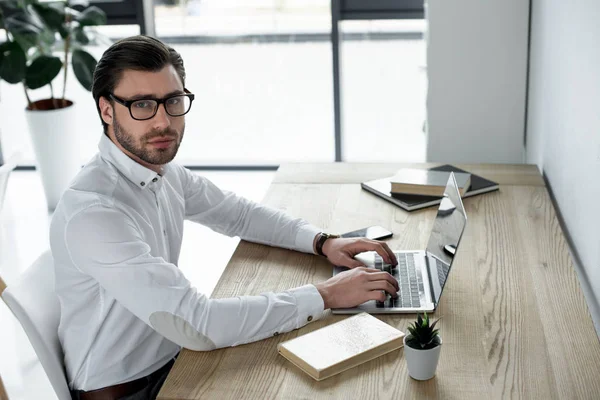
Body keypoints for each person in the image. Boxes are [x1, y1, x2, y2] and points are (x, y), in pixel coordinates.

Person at [50, 35, 398, 400]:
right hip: (133, 389)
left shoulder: (158, 171)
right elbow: (198, 324)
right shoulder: (96, 213)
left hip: (175, 359)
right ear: (107, 110)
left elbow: (238, 214)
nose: (162, 121)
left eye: (172, 101)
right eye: (142, 105)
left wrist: (323, 241)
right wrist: (325, 295)